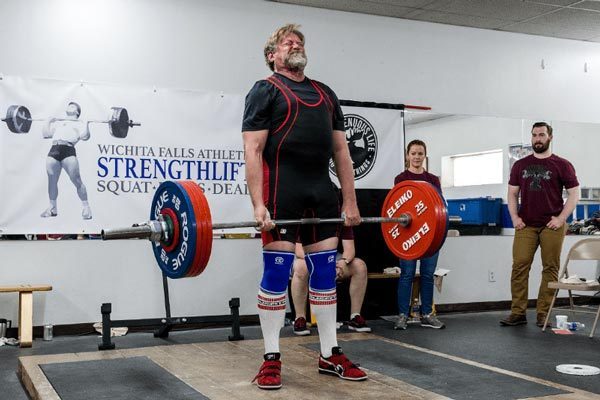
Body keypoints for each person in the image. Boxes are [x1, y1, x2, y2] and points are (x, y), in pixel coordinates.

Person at [242, 24, 367, 390]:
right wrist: (258, 204)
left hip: (321, 196)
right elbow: (253, 149)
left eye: (298, 41)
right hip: (282, 194)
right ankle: (270, 358)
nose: (294, 44)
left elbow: (342, 151)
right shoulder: (264, 90)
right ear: (273, 56)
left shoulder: (326, 94)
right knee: (277, 277)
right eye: (286, 42)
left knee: (326, 277)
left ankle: (330, 354)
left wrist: (350, 199)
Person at [500, 122, 579, 328]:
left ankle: (543, 313)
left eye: (541, 135)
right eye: (534, 135)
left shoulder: (562, 164)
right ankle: (518, 312)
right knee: (519, 266)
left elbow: (574, 194)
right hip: (526, 224)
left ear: (550, 137)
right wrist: (515, 218)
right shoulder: (520, 165)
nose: (537, 138)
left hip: (552, 224)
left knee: (550, 268)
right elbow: (512, 193)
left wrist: (561, 219)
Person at [393, 139, 445, 330]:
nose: (416, 157)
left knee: (427, 275)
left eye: (420, 153)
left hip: (431, 235)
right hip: (408, 236)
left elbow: (439, 207)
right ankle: (402, 315)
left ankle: (427, 314)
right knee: (406, 274)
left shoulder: (433, 180)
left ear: (425, 156)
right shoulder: (401, 179)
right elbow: (397, 208)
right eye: (413, 153)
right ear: (408, 155)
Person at [291, 226, 371, 335]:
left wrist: (343, 262)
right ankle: (300, 318)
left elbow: (350, 249)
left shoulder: (340, 218)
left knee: (360, 266)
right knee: (301, 268)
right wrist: (323, 266)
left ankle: (355, 316)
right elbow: (299, 251)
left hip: (332, 258)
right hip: (307, 258)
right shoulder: (308, 216)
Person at [41, 102, 93, 220]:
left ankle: (86, 208)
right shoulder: (60, 123)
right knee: (52, 181)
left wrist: (86, 123)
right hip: (54, 149)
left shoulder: (79, 123)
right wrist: (47, 122)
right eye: (69, 105)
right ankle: (52, 208)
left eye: (73, 106)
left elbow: (85, 137)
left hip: (68, 150)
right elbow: (46, 134)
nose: (69, 106)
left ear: (77, 112)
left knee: (77, 181)